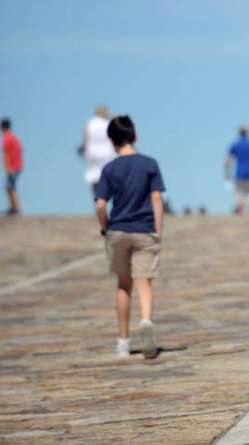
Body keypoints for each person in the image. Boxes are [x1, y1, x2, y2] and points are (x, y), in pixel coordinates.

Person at [95, 115, 166, 359]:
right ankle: (146, 320)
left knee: (124, 284)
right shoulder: (149, 164)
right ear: (135, 136)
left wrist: (105, 227)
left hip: (118, 230)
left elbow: (101, 204)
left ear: (111, 141)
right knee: (144, 280)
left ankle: (123, 341)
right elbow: (157, 198)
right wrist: (158, 228)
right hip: (145, 229)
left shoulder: (109, 169)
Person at [79, 105, 117, 196]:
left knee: (94, 178)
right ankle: (104, 198)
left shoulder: (90, 123)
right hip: (108, 153)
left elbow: (86, 139)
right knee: (107, 177)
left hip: (92, 153)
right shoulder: (108, 123)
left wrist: (83, 151)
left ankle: (98, 200)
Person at [0, 118, 23, 216]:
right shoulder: (14, 137)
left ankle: (15, 208)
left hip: (13, 166)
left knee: (10, 186)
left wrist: (8, 166)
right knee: (10, 186)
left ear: (2, 127)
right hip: (17, 165)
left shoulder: (6, 137)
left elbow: (6, 152)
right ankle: (14, 207)